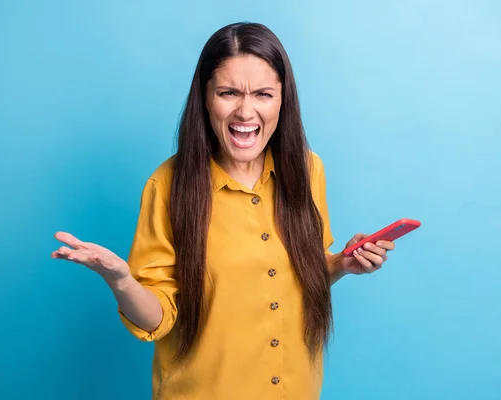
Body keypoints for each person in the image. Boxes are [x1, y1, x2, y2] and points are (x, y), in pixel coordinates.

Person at [52, 22, 396, 400]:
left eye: (264, 94)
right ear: (204, 97)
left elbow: (296, 276)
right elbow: (158, 320)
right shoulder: (167, 185)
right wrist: (120, 281)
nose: (245, 111)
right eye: (228, 92)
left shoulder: (308, 169)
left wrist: (341, 264)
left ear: (284, 99)